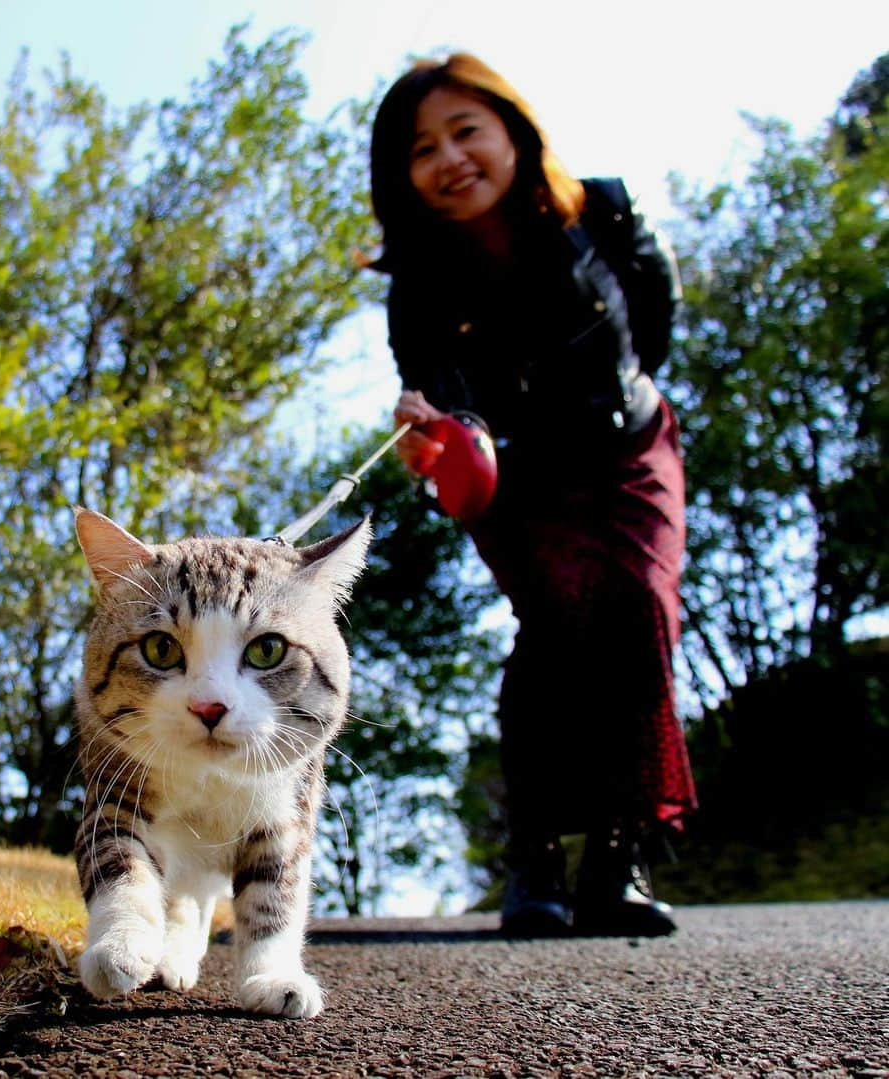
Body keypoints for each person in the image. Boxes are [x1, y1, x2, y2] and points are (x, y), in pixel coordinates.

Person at [368, 53, 697, 937]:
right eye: (421, 148)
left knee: (634, 609)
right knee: (555, 629)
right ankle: (536, 858)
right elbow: (435, 397)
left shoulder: (606, 212)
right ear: (401, 174)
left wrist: (604, 403)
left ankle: (617, 864)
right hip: (517, 482)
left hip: (629, 451)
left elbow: (654, 324)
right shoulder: (417, 288)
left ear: (513, 130)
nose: (449, 158)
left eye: (466, 130)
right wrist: (421, 432)